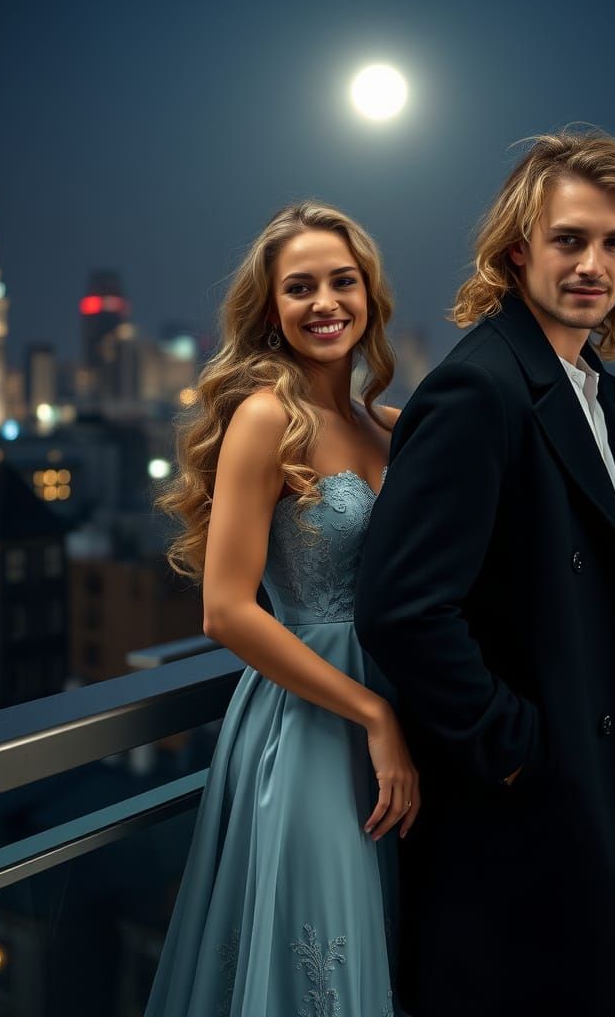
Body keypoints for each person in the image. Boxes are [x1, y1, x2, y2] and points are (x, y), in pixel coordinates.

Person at [355, 129, 615, 1015]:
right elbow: (401, 606)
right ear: (518, 250)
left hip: (577, 809)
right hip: (515, 827)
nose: (595, 264)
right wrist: (518, 753)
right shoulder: (482, 387)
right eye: (569, 240)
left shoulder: (582, 380)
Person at [147, 202, 418, 1016]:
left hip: (398, 718)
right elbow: (225, 612)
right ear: (271, 309)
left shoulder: (391, 428)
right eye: (300, 287)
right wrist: (376, 716)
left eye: (343, 281)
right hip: (308, 728)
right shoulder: (266, 419)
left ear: (369, 294)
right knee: (317, 965)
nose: (325, 302)